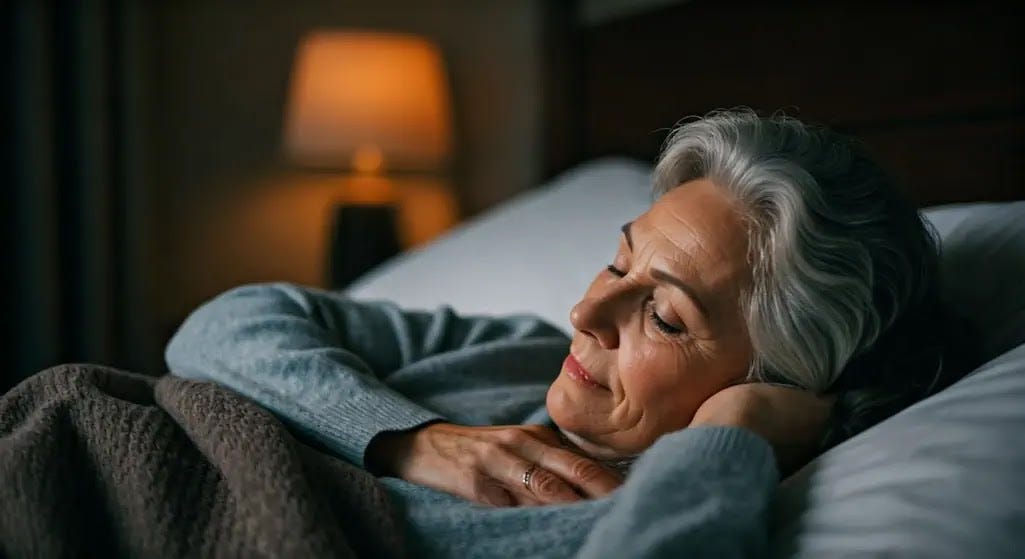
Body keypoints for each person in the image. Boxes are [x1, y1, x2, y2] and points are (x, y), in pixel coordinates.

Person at [166, 109, 970, 558]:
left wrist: (734, 436)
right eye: (619, 263)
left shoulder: (640, 516)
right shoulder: (517, 348)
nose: (585, 317)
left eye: (664, 316)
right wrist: (411, 440)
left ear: (774, 384)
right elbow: (213, 330)